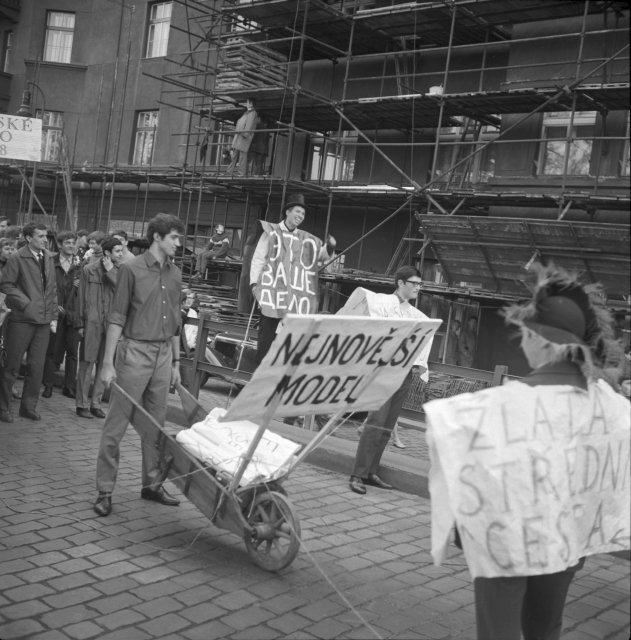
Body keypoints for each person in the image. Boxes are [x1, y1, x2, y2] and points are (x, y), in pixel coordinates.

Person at [426, 263, 630, 640]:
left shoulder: (485, 408)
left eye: (524, 335)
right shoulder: (615, 406)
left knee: (498, 630)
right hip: (569, 535)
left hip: (503, 540)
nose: (521, 343)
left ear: (539, 340)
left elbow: (457, 473)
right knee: (545, 626)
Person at [93, 213, 185, 517]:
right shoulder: (131, 269)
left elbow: (174, 321)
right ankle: (105, 490)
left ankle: (152, 484)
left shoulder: (175, 274)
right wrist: (108, 363)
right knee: (117, 423)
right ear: (157, 237)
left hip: (163, 356)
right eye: (174, 237)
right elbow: (117, 316)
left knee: (156, 425)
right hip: (134, 352)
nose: (178, 243)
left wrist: (176, 362)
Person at [347, 266, 432, 495]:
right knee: (376, 421)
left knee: (388, 424)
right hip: (383, 369)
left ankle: (372, 471)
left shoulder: (414, 314)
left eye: (419, 284)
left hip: (404, 371)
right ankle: (358, 473)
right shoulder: (382, 303)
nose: (418, 287)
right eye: (414, 283)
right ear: (401, 283)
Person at [250, 194, 336, 363]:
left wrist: (331, 247)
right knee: (266, 337)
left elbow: (319, 256)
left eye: (303, 214)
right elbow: (258, 259)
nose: (300, 216)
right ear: (287, 212)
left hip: (294, 297)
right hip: (272, 293)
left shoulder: (305, 239)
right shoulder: (271, 232)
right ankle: (260, 376)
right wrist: (254, 284)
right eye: (297, 212)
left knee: (290, 340)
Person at [0, 223, 58, 422]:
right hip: (21, 320)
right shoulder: (17, 257)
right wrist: (26, 304)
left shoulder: (48, 257)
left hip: (43, 321)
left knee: (36, 366)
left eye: (46, 236)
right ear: (28, 238)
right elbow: (6, 284)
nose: (44, 239)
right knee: (11, 366)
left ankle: (28, 407)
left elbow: (52, 289)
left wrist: (53, 316)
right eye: (40, 236)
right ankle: (3, 407)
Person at [75, 236, 124, 419]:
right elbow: (81, 297)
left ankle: (96, 403)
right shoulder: (89, 270)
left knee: (105, 364)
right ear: (107, 253)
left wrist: (112, 272)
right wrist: (80, 323)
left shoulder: (121, 271)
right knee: (87, 363)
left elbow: (123, 293)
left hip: (111, 325)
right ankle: (81, 404)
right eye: (118, 251)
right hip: (92, 322)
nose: (121, 254)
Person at [42, 230, 82, 399]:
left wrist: (81, 285)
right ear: (59, 245)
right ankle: (48, 385)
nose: (71, 246)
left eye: (73, 243)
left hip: (74, 314)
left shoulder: (80, 266)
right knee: (52, 350)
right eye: (68, 242)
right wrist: (54, 304)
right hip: (56, 312)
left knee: (73, 353)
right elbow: (46, 285)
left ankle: (69, 387)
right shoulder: (52, 262)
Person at [226, 97, 258, 177]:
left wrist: (245, 134)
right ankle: (229, 171)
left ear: (251, 103)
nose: (246, 104)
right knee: (235, 155)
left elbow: (249, 125)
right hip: (239, 136)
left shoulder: (253, 113)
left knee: (242, 156)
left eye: (247, 102)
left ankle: (242, 173)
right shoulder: (246, 112)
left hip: (244, 137)